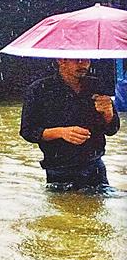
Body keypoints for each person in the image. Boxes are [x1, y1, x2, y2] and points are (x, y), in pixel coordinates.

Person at [20, 58, 120, 190]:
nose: (83, 64)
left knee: (99, 209)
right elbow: (28, 131)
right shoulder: (39, 90)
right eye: (77, 60)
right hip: (59, 170)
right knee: (61, 210)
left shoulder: (97, 86)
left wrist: (108, 113)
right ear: (61, 60)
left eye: (86, 60)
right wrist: (61, 133)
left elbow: (112, 129)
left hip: (95, 166)